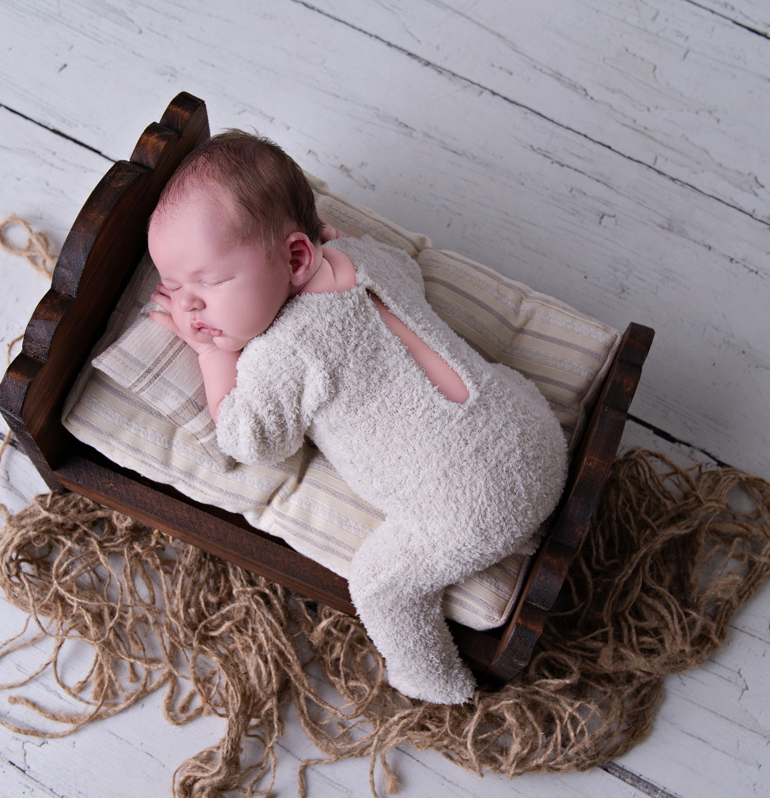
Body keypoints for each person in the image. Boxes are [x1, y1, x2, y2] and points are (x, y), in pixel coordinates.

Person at [147, 130, 567, 704]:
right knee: (497, 380)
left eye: (210, 283)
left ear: (296, 256)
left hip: (474, 509)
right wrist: (337, 246)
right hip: (538, 440)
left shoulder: (280, 353)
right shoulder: (363, 257)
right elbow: (409, 273)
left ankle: (432, 681)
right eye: (175, 288)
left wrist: (214, 355)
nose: (190, 308)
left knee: (379, 586)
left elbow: (251, 438)